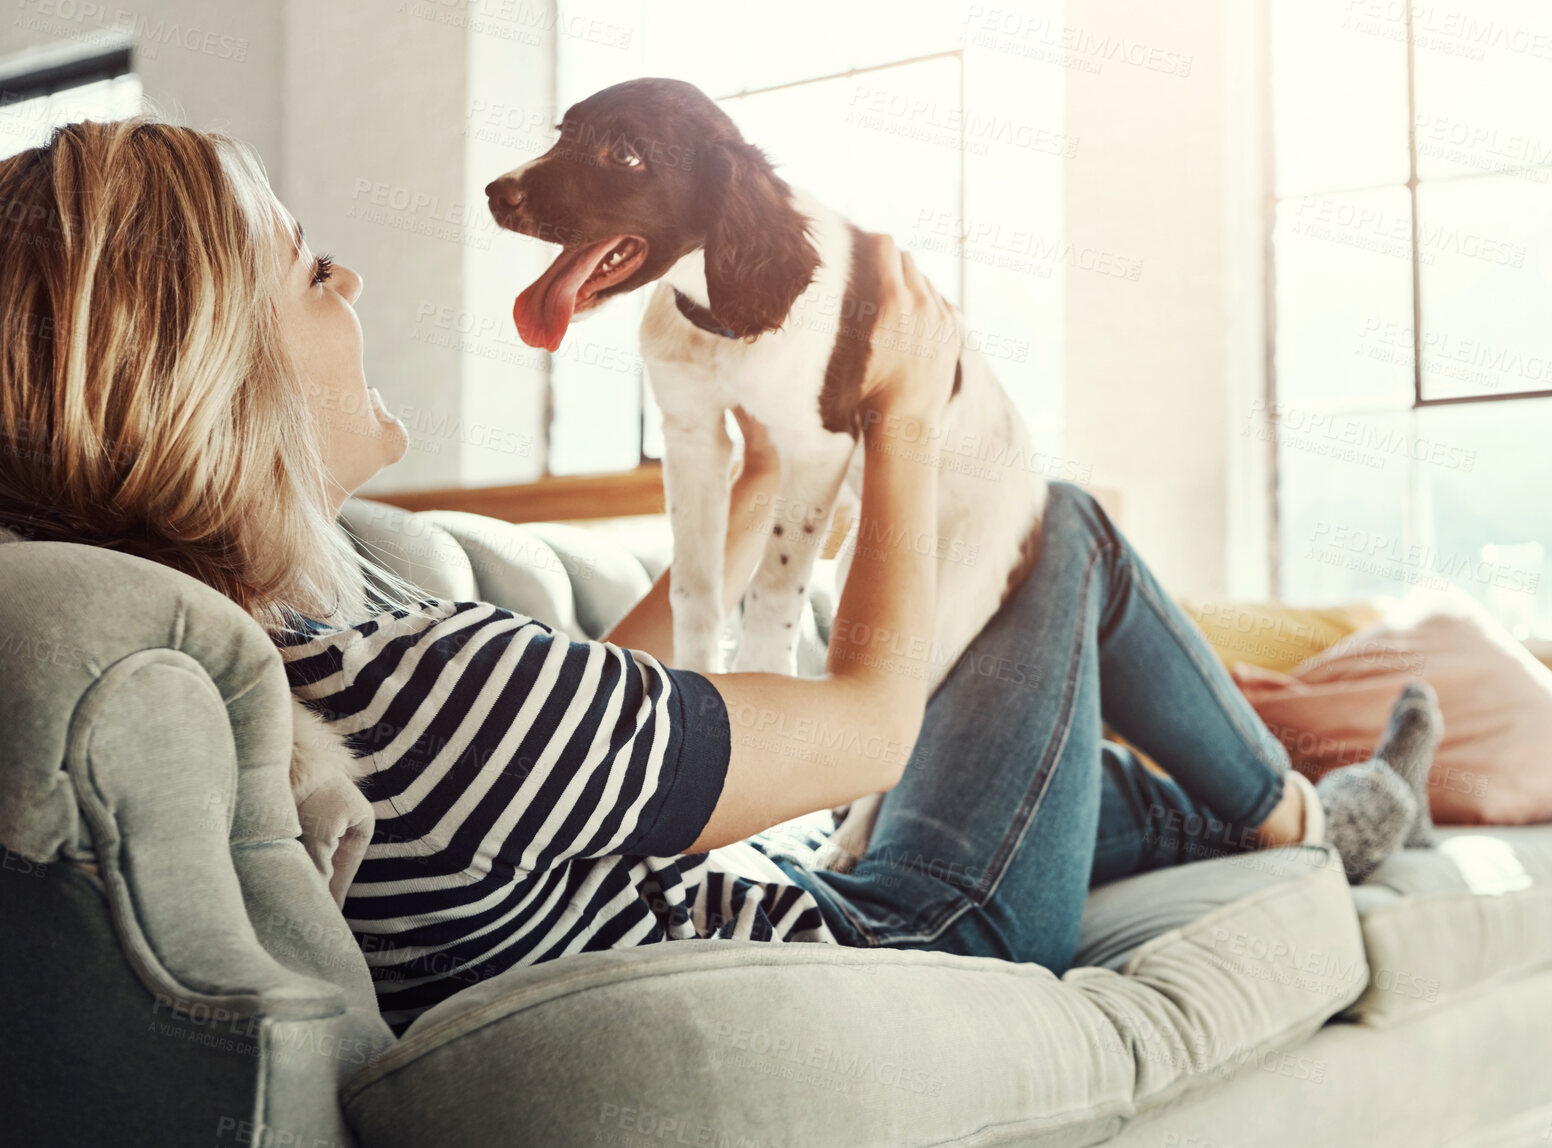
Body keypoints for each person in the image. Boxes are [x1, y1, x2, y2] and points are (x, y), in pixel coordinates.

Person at [0, 118, 1439, 1035]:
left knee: (1068, 765)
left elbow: (592, 725)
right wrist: (901, 424)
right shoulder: (419, 697)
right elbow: (869, 724)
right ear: (220, 379)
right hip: (918, 937)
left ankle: (1304, 811)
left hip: (802, 888)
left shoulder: (312, 647)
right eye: (316, 274)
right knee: (1059, 532)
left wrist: (755, 485)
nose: (354, 287)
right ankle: (1288, 808)